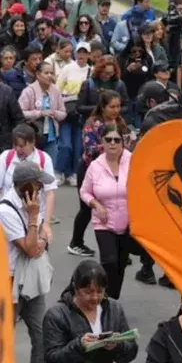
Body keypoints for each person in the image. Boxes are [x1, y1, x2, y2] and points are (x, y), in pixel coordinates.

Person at [0, 160, 56, 363]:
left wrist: (39, 235)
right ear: (24, 186)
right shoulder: (5, 210)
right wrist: (34, 224)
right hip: (8, 280)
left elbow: (42, 237)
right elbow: (30, 248)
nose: (41, 188)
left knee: (43, 334)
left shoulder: (34, 202)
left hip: (30, 280)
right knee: (4, 339)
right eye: (37, 184)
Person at [79, 124, 133, 299]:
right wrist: (96, 204)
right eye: (108, 139)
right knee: (109, 261)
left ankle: (112, 299)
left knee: (121, 264)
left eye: (116, 140)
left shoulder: (133, 161)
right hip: (103, 222)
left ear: (123, 142)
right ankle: (104, 299)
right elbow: (84, 191)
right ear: (101, 142)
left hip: (128, 223)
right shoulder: (95, 166)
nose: (112, 143)